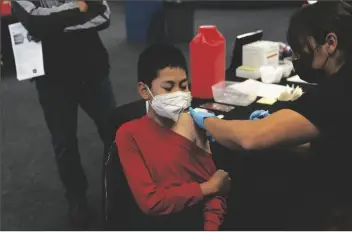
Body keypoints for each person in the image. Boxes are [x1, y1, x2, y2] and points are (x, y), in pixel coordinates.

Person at [189, 1, 352, 229]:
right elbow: (333, 138)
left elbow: (250, 138)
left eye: (304, 49)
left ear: (331, 43)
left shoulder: (337, 91)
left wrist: (205, 120)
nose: (298, 58)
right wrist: (282, 137)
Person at [11, 0, 116, 228]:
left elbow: (105, 15)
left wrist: (52, 26)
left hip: (93, 72)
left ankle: (117, 189)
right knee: (64, 143)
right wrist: (78, 8)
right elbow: (33, 22)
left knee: (114, 133)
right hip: (53, 81)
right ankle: (76, 197)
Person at [115, 44, 230, 230]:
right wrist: (206, 188)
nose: (178, 94)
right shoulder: (129, 135)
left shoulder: (194, 124)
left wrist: (211, 227)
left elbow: (217, 190)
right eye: (168, 88)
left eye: (184, 86)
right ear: (144, 91)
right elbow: (151, 202)